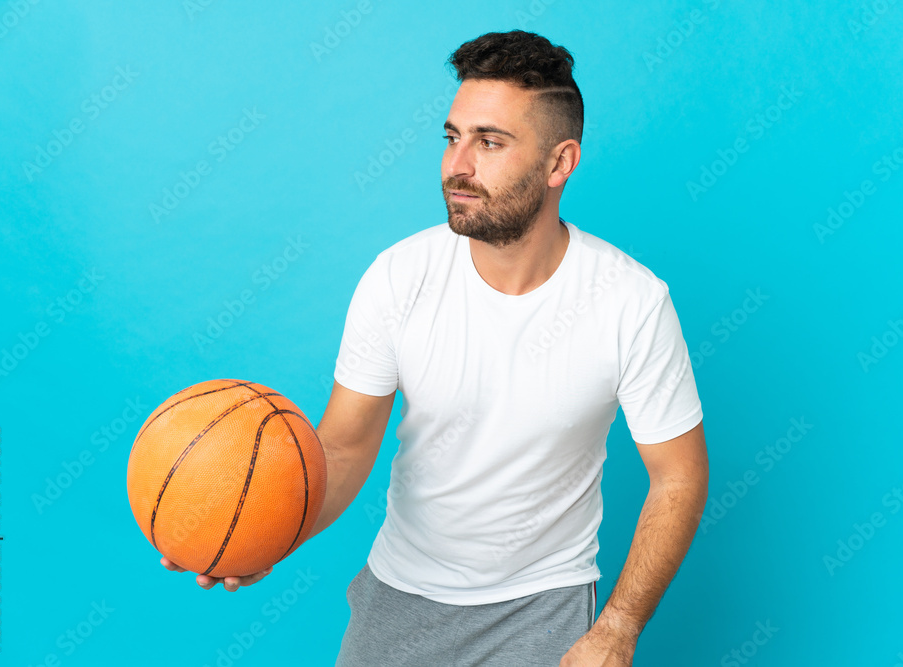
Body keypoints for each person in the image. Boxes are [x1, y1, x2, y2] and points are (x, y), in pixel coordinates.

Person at [164, 30, 709, 667]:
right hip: (398, 598)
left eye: (490, 142)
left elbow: (679, 476)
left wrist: (618, 629)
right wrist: (270, 533)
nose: (458, 165)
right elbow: (345, 446)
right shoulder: (399, 276)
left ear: (560, 164)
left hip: (544, 608)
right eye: (453, 138)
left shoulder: (632, 302)